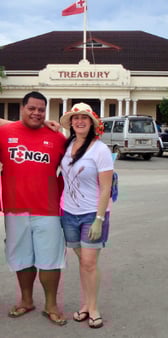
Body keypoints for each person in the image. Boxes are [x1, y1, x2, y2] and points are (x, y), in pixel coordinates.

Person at [0, 91, 68, 326]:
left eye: (41, 109)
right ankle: (26, 301)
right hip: (14, 209)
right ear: (22, 108)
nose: (37, 113)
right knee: (22, 258)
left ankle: (51, 305)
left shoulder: (57, 138)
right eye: (32, 108)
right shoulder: (4, 132)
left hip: (48, 210)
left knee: (50, 260)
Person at [58, 103, 114, 329]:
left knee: (90, 263)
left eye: (84, 118)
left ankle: (93, 307)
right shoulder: (68, 144)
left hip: (92, 214)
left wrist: (99, 219)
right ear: (71, 123)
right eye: (75, 118)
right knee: (83, 263)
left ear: (92, 123)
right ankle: (85, 304)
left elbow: (106, 188)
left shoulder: (100, 150)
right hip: (69, 213)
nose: (79, 121)